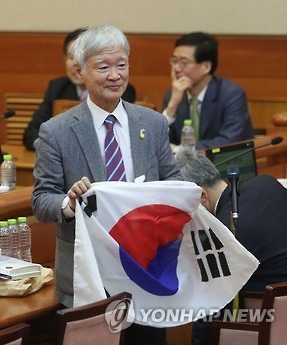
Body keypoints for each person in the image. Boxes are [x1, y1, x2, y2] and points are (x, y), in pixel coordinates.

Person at [31, 24, 181, 345]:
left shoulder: (151, 123)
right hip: (89, 278)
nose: (115, 75)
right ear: (79, 71)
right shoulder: (56, 131)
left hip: (147, 272)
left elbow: (173, 180)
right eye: (103, 67)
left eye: (122, 65)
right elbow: (41, 200)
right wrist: (68, 204)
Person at [175, 148, 287, 345]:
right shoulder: (267, 182)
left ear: (201, 195)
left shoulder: (224, 233)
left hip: (265, 324)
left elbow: (209, 309)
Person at [23, 28, 136, 151]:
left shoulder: (116, 88)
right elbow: (31, 133)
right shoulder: (57, 88)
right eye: (71, 57)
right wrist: (52, 148)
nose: (75, 65)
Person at [162, 32, 255, 150]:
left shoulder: (232, 95)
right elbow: (158, 140)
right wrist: (173, 104)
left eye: (184, 62)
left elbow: (230, 141)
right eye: (174, 61)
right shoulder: (173, 95)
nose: (176, 68)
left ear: (206, 67)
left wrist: (182, 150)